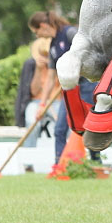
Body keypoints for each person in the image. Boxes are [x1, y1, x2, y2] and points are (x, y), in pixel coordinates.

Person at [28, 11, 95, 162]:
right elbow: (51, 78)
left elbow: (89, 50)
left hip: (88, 85)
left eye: (36, 31)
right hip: (69, 89)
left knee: (87, 127)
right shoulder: (52, 47)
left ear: (43, 26)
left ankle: (95, 163)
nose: (37, 35)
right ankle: (59, 166)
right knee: (59, 129)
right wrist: (42, 104)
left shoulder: (70, 33)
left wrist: (77, 69)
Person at [13, 38, 58, 149]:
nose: (45, 58)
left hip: (56, 101)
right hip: (36, 102)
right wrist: (38, 69)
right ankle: (29, 161)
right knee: (32, 122)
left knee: (64, 124)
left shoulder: (60, 64)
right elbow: (33, 91)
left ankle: (66, 159)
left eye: (48, 55)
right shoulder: (31, 65)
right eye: (43, 55)